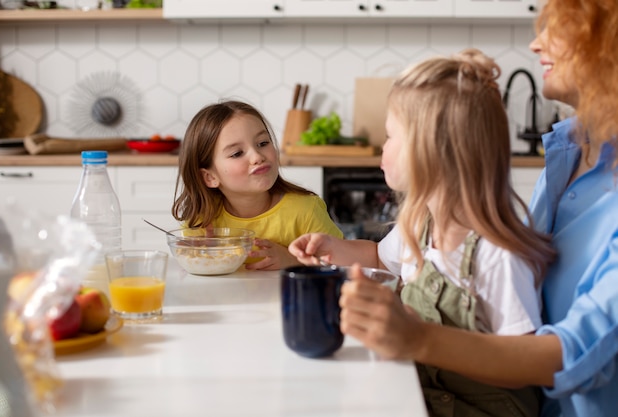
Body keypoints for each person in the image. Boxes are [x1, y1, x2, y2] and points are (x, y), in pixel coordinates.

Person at [296, 0, 618, 416]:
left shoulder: (498, 249)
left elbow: (568, 349)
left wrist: (416, 337)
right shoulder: (567, 153)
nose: (535, 43)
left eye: (562, 26)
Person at [289, 48, 555, 416]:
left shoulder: (496, 253)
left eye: (390, 135)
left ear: (432, 151)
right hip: (423, 393)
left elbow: (524, 363)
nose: (382, 146)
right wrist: (334, 247)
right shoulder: (421, 223)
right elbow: (380, 257)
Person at [172, 100, 343, 271]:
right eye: (237, 153)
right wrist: (202, 256)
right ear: (209, 177)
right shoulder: (203, 221)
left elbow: (342, 264)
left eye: (263, 143)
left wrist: (293, 260)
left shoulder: (306, 210)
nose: (257, 156)